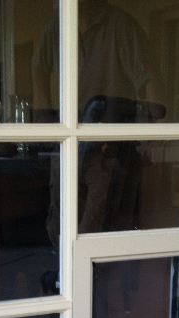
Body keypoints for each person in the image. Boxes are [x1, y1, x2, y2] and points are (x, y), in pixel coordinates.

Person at [32, 0, 163, 248]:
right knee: (59, 225)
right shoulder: (57, 27)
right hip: (66, 144)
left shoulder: (122, 27)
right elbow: (39, 68)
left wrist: (155, 129)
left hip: (106, 147)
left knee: (94, 228)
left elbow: (151, 81)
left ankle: (91, 279)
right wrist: (46, 118)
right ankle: (68, 277)